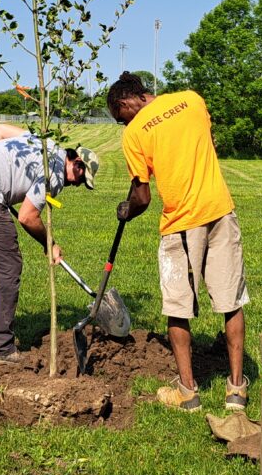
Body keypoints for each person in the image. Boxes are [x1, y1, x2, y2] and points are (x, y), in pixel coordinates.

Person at [107, 72, 249, 411]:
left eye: (118, 117)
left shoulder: (135, 133)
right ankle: (236, 391)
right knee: (231, 301)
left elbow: (141, 197)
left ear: (126, 103)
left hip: (182, 223)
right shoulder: (192, 99)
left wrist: (127, 209)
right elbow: (207, 145)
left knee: (178, 306)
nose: (121, 124)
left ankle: (188, 393)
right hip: (220, 210)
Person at [0, 123, 100, 366]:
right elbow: (27, 216)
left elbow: (2, 130)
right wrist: (50, 244)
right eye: (81, 178)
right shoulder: (54, 172)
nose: (78, 185)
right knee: (9, 267)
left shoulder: (47, 142)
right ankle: (0, 348)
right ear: (76, 163)